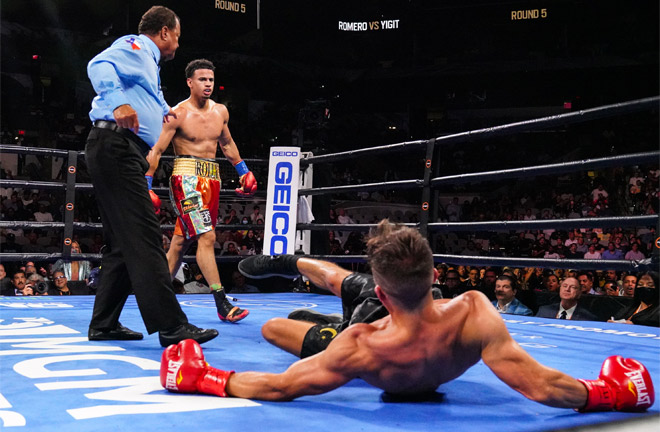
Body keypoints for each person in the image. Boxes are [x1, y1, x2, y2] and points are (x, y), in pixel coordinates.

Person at [160, 221, 654, 411]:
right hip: (421, 333)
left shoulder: (359, 345)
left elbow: (279, 387)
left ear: (381, 290)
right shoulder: (474, 313)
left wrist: (201, 376)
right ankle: (292, 269)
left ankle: (291, 263)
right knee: (312, 305)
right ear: (435, 273)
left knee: (280, 324)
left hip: (373, 336)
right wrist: (615, 393)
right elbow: (542, 386)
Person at [85, 5, 217, 347]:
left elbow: (149, 101)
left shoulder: (148, 67)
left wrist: (164, 112)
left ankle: (104, 324)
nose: (177, 43)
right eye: (176, 35)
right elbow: (98, 64)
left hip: (117, 148)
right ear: (164, 32)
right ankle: (172, 325)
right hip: (115, 144)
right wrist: (116, 102)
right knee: (144, 237)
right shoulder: (137, 45)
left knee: (121, 244)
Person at [146, 58, 255, 323]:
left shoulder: (220, 112)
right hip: (186, 180)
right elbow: (157, 149)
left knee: (180, 243)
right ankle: (221, 301)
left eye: (211, 80)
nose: (208, 84)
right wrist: (146, 184)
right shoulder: (177, 113)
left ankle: (153, 296)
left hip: (212, 179)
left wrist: (244, 172)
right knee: (207, 237)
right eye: (202, 80)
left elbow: (227, 144)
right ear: (189, 82)